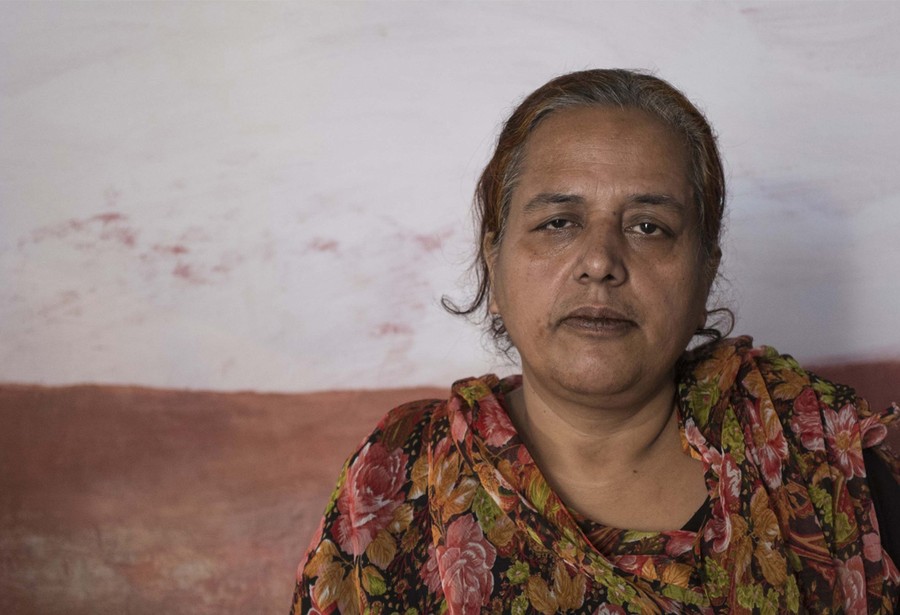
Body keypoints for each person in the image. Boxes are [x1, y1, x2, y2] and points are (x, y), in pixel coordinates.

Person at [290, 70, 899, 614]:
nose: (601, 262)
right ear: (493, 264)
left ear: (705, 273)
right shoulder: (400, 474)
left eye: (648, 227)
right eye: (559, 222)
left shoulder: (820, 454)